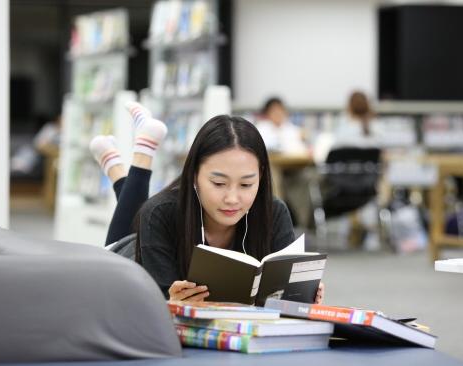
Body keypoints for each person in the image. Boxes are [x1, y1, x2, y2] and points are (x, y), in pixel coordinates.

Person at [90, 102, 324, 304]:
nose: (232, 198)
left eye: (246, 185)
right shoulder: (158, 213)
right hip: (127, 261)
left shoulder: (273, 212)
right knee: (141, 216)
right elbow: (152, 314)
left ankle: (114, 164)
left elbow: (286, 302)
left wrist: (302, 298)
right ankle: (143, 149)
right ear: (194, 175)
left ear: (261, 177)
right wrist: (171, 304)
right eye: (219, 184)